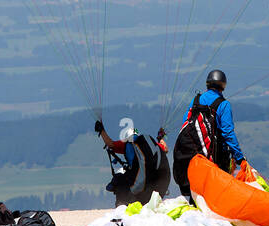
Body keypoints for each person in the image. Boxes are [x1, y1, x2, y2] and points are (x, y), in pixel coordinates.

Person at [172, 69, 245, 200]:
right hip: (214, 159)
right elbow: (228, 133)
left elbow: (186, 123)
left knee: (196, 196)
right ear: (223, 85)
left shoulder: (195, 101)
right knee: (216, 196)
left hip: (193, 157)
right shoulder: (223, 104)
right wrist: (240, 158)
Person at [96, 119, 170, 206]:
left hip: (137, 177)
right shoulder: (148, 144)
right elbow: (165, 149)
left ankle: (122, 203)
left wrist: (101, 131)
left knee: (119, 179)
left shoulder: (126, 144)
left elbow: (110, 144)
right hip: (157, 179)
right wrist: (160, 138)